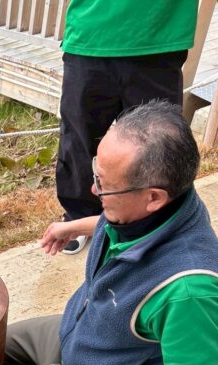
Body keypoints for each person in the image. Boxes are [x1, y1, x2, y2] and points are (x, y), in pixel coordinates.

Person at [0, 101, 218, 365]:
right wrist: (75, 226)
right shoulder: (161, 205)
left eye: (104, 187)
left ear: (154, 197)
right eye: (98, 174)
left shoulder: (189, 290)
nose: (94, 192)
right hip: (79, 335)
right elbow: (121, 220)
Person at [56, 0, 198, 255]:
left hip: (160, 35)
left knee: (161, 149)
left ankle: (157, 227)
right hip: (91, 34)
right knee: (78, 140)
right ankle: (79, 217)